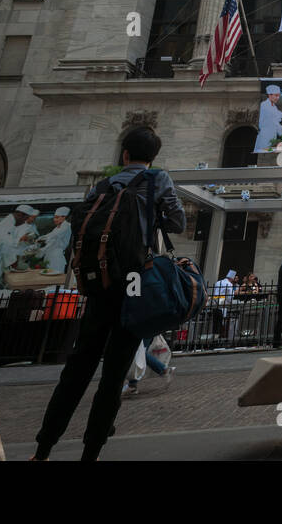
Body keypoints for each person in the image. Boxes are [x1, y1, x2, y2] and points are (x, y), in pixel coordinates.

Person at [33, 126, 186, 462]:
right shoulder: (157, 179)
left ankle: (43, 449)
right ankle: (91, 452)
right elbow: (178, 223)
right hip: (134, 283)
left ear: (125, 155)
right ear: (153, 157)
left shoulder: (103, 185)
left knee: (77, 369)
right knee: (114, 373)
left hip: (100, 283)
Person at [35, 206, 72, 274]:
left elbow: (53, 235)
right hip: (49, 256)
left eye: (57, 217)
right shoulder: (56, 228)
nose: (55, 219)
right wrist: (39, 251)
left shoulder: (66, 226)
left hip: (57, 257)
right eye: (54, 217)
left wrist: (41, 239)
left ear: (64, 217)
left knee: (56, 278)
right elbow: (50, 243)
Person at [256, 85, 282, 151]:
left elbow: (280, 114)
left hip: (271, 137)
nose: (278, 98)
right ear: (269, 95)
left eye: (279, 96)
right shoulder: (264, 105)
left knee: (269, 153)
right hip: (265, 137)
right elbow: (274, 121)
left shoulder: (273, 106)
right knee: (264, 153)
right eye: (276, 95)